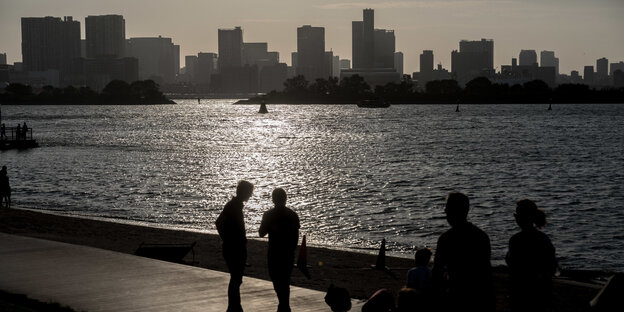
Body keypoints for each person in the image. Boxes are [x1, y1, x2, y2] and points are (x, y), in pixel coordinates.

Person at [431, 192, 494, 312]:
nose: (445, 211)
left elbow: (436, 273)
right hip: (480, 297)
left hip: (456, 297)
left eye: (447, 208)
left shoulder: (446, 238)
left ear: (451, 211)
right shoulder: (481, 236)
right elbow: (486, 272)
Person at [506, 199, 557, 312]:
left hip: (522, 293)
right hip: (542, 291)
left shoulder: (516, 240)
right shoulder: (543, 238)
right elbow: (552, 266)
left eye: (516, 214)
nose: (515, 217)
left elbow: (515, 268)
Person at [259, 188, 300, 312]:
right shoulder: (293, 215)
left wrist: (271, 227)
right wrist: (291, 250)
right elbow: (295, 237)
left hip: (274, 253)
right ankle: (284, 305)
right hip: (287, 253)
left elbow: (261, 233)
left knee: (277, 280)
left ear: (273, 199)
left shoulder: (268, 215)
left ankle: (283, 305)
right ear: (285, 199)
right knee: (284, 281)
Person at [216, 180, 254, 312]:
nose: (251, 195)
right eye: (249, 192)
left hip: (236, 247)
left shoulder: (236, 206)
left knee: (236, 278)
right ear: (244, 192)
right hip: (234, 248)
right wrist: (227, 239)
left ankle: (234, 306)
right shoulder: (233, 206)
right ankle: (234, 307)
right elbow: (218, 222)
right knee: (236, 278)